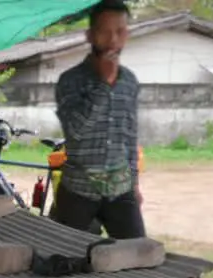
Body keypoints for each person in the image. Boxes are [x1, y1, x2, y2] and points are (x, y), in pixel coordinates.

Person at [52, 0, 145, 239]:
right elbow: (75, 132)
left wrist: (134, 183)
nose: (113, 40)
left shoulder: (130, 82)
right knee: (58, 262)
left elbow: (130, 136)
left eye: (120, 31)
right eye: (105, 32)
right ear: (90, 35)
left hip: (120, 191)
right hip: (77, 190)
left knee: (139, 261)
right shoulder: (69, 81)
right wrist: (103, 85)